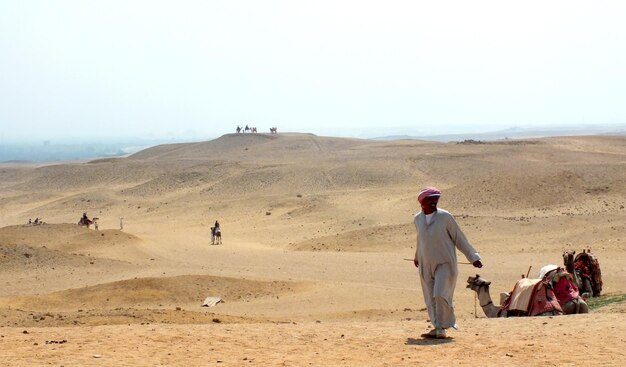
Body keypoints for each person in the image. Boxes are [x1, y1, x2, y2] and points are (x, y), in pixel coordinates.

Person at [413, 186, 483, 339]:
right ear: (422, 202)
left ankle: (443, 326)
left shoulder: (445, 217)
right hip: (426, 264)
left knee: (439, 294)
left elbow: (459, 238)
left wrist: (473, 257)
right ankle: (438, 327)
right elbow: (420, 240)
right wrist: (417, 256)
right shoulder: (417, 219)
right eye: (430, 199)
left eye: (436, 199)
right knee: (430, 297)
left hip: (445, 263)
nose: (434, 202)